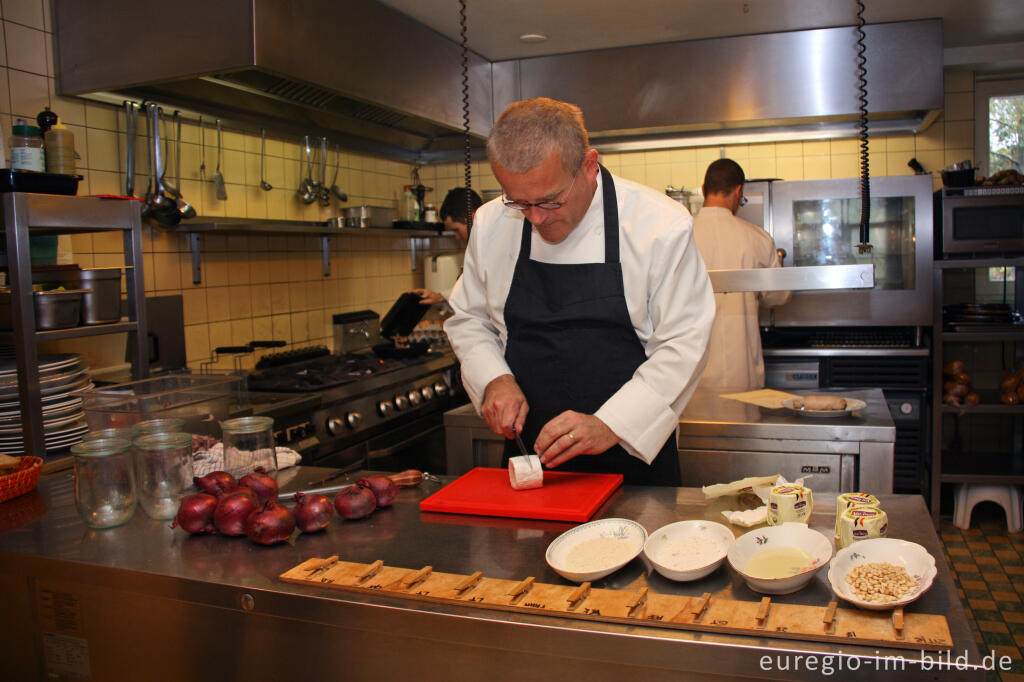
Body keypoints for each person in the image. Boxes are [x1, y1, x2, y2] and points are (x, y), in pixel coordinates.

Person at [444, 97, 715, 486]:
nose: (536, 218)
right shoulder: (490, 224)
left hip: (631, 457)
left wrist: (611, 423)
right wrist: (494, 379)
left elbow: (685, 342)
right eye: (519, 202)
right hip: (530, 455)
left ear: (589, 166)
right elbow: (468, 318)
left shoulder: (659, 226)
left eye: (551, 201)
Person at [692, 159, 790, 391]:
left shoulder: (679, 234)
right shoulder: (757, 238)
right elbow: (779, 297)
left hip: (692, 375)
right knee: (740, 425)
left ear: (704, 190)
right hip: (741, 372)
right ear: (738, 191)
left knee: (696, 427)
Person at [411, 187, 482, 306]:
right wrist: (439, 297)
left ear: (472, 217)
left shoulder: (497, 245)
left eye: (456, 230)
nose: (457, 237)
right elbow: (471, 290)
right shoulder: (476, 248)